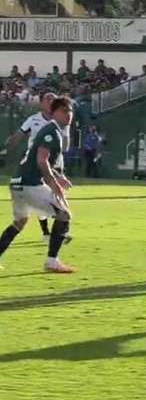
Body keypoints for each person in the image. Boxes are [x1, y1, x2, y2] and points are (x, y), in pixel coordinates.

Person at [0, 98, 76, 273]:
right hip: (29, 184)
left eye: (70, 111)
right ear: (54, 112)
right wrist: (54, 184)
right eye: (64, 111)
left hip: (17, 183)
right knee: (64, 215)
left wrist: (58, 177)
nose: (69, 114)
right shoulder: (52, 131)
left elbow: (40, 160)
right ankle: (52, 261)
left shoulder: (50, 131)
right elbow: (42, 161)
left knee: (19, 222)